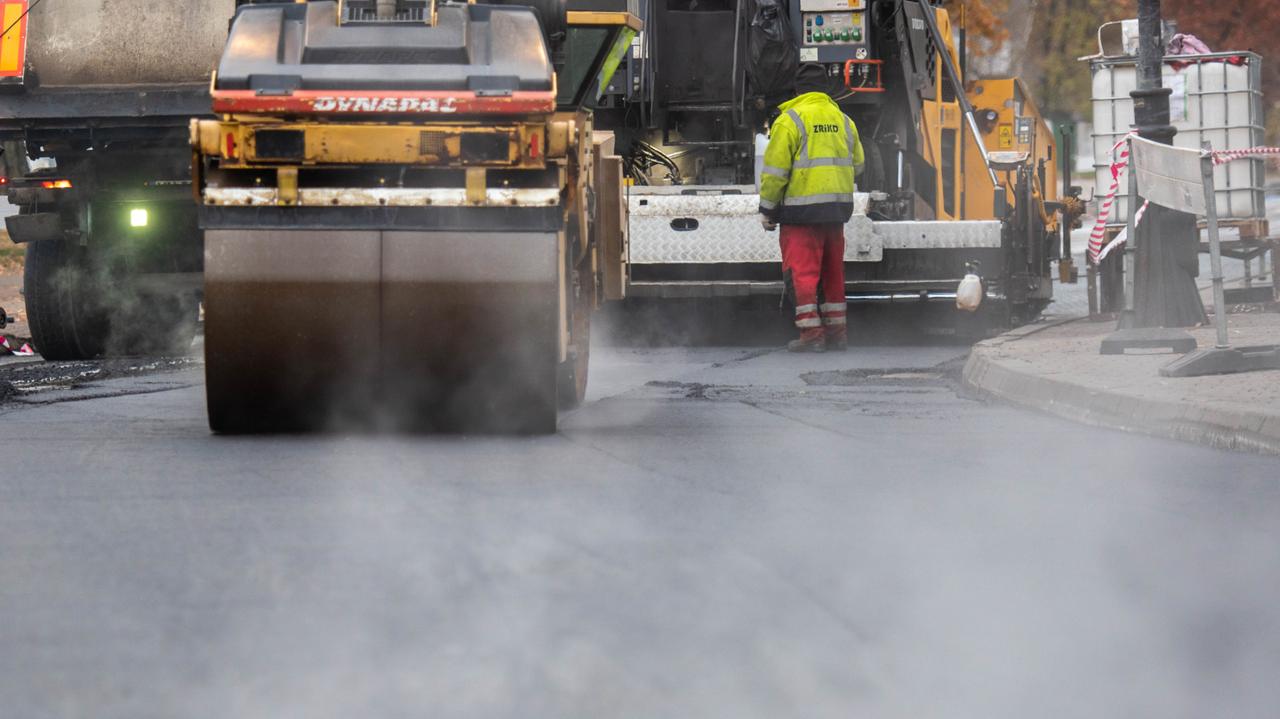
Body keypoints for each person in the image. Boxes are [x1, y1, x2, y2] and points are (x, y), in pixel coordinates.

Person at [759, 63, 864, 352]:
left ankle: (812, 337)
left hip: (801, 214)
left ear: (797, 90)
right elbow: (859, 164)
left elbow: (775, 172)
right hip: (837, 210)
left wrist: (767, 209)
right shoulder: (844, 120)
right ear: (826, 90)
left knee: (803, 275)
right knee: (833, 273)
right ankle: (837, 334)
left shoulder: (789, 120)